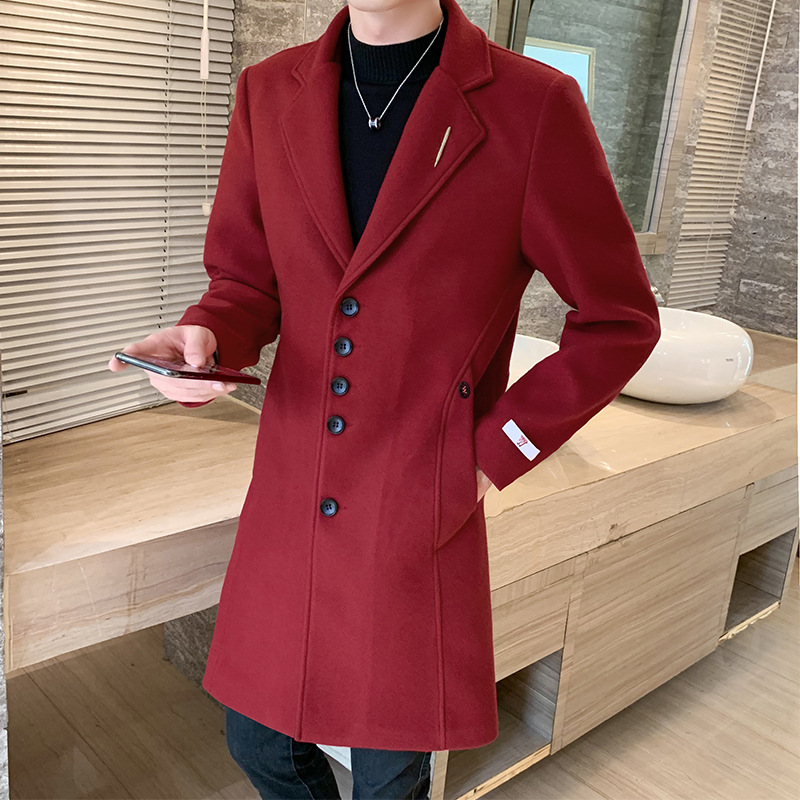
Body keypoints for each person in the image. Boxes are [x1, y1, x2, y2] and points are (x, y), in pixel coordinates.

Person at [109, 0, 661, 797]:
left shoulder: (533, 104)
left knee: (389, 769)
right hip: (293, 482)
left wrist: (491, 454)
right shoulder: (268, 91)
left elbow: (620, 320)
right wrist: (206, 338)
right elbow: (246, 282)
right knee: (259, 741)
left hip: (417, 490)